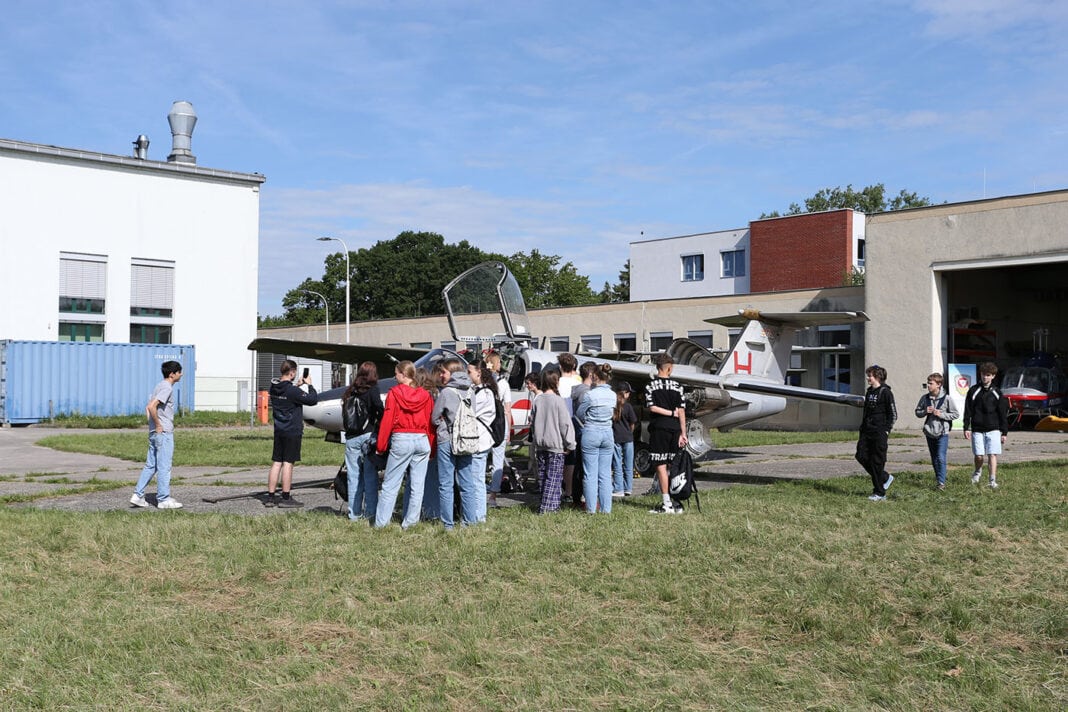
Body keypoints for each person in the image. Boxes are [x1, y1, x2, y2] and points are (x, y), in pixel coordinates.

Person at [374, 360, 434, 529]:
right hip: (422, 439)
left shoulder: (394, 393)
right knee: (417, 485)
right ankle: (411, 523)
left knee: (390, 484)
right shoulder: (426, 395)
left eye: (396, 373)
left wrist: (381, 445)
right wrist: (431, 447)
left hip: (402, 438)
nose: (395, 376)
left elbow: (388, 420)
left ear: (403, 374)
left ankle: (381, 524)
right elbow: (430, 422)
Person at [130, 360, 184, 509]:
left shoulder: (158, 386)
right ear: (172, 374)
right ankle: (163, 499)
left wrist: (152, 426)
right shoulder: (167, 388)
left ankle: (138, 495)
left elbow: (148, 409)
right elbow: (151, 407)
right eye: (179, 372)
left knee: (151, 465)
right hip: (164, 432)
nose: (181, 374)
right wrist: (159, 425)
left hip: (154, 433)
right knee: (164, 466)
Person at [265, 360, 318, 508]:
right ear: (292, 372)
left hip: (279, 429)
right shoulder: (293, 391)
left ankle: (270, 497)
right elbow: (312, 400)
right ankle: (286, 497)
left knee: (277, 462)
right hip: (292, 431)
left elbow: (287, 394)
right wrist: (309, 385)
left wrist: (297, 386)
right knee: (288, 463)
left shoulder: (274, 387)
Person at [431, 359, 475, 529]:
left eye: (444, 372)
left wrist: (442, 422)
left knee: (446, 484)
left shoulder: (447, 392)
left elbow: (434, 418)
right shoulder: (471, 391)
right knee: (467, 482)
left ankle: (448, 524)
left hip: (447, 440)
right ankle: (469, 522)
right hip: (466, 440)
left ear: (452, 372)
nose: (441, 375)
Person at [645, 353, 688, 514]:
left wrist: (669, 413)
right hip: (675, 429)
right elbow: (682, 411)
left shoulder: (650, 386)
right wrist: (683, 433)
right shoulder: (678, 386)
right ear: (669, 368)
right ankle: (676, 501)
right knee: (673, 464)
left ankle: (666, 502)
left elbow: (652, 407)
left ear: (658, 367)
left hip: (659, 428)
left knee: (660, 465)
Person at [341, 361, 384, 521]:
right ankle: (371, 512)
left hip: (351, 437)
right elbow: (380, 410)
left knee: (353, 477)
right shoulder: (373, 390)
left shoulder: (350, 390)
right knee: (370, 476)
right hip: (368, 436)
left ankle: (354, 513)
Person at [530, 368, 576, 513]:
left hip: (541, 444)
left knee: (543, 477)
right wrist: (570, 443)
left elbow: (532, 422)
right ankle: (547, 507)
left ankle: (552, 505)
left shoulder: (537, 400)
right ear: (556, 382)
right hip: (556, 445)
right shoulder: (558, 401)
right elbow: (565, 424)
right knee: (554, 478)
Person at [576, 363, 616, 514]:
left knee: (590, 474)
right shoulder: (612, 395)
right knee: (605, 474)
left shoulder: (590, 395)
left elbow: (579, 413)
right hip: (607, 432)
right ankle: (607, 509)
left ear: (595, 377)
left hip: (591, 432)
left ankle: (591, 509)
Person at [963, 361, 1009, 488]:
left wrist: (1004, 432)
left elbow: (1002, 413)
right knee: (979, 455)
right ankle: (977, 471)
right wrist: (966, 427)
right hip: (977, 428)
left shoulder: (997, 392)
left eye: (988, 375)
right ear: (980, 374)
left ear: (993, 376)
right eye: (983, 374)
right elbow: (967, 410)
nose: (985, 377)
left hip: (993, 428)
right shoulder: (973, 391)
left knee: (992, 454)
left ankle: (992, 480)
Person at [856, 364, 897, 501]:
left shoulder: (885, 392)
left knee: (877, 462)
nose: (868, 378)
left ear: (877, 377)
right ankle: (884, 477)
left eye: (870, 375)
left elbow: (893, 414)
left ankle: (879, 493)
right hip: (866, 431)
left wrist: (886, 430)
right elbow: (866, 412)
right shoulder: (869, 392)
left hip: (879, 432)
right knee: (861, 455)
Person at [914, 372, 959, 491]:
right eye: (928, 383)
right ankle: (938, 478)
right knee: (934, 457)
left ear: (938, 385)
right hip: (929, 432)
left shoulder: (947, 398)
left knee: (940, 457)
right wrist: (924, 411)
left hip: (942, 432)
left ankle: (941, 483)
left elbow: (955, 414)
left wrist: (941, 414)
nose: (928, 385)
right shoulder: (925, 398)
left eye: (931, 383)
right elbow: (917, 412)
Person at [467, 359, 498, 522]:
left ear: (478, 372)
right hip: (480, 440)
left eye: (469, 372)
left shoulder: (483, 393)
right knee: (476, 478)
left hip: (479, 441)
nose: (468, 375)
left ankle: (479, 515)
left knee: (476, 479)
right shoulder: (482, 391)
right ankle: (477, 513)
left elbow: (469, 411)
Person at [485, 352, 512, 509]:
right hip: (500, 423)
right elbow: (507, 408)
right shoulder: (503, 383)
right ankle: (493, 496)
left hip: (485, 423)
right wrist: (508, 431)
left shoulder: (484, 382)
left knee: (480, 459)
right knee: (497, 460)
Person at [556, 353, 582, 502]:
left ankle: (562, 487)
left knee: (560, 457)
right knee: (572, 459)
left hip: (560, 422)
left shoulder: (557, 383)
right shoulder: (577, 382)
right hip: (575, 422)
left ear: (560, 366)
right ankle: (570, 490)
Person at [611, 381, 638, 498]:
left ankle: (618, 488)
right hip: (628, 438)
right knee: (628, 464)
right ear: (625, 394)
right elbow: (633, 423)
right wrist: (629, 432)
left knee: (617, 464)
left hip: (616, 438)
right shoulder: (628, 407)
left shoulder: (613, 406)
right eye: (629, 393)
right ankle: (628, 488)